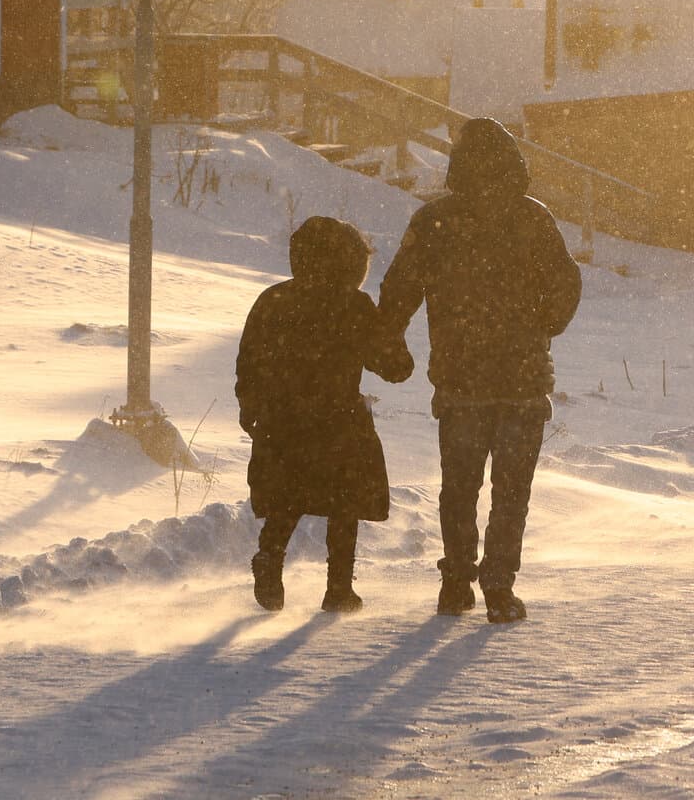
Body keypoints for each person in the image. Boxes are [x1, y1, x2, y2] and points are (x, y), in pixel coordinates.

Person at [379, 117, 582, 624]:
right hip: (522, 377)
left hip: (460, 376)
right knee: (512, 491)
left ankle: (455, 583)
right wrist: (542, 325)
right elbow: (564, 286)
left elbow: (399, 287)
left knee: (460, 485)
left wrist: (388, 344)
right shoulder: (534, 219)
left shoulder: (434, 222)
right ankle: (498, 587)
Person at [236, 214, 414, 614]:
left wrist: (253, 410)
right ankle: (338, 588)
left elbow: (248, 362)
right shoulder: (353, 305)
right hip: (338, 421)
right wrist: (391, 329)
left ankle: (270, 557)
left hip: (282, 422)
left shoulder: (273, 299)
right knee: (344, 503)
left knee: (287, 497)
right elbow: (396, 368)